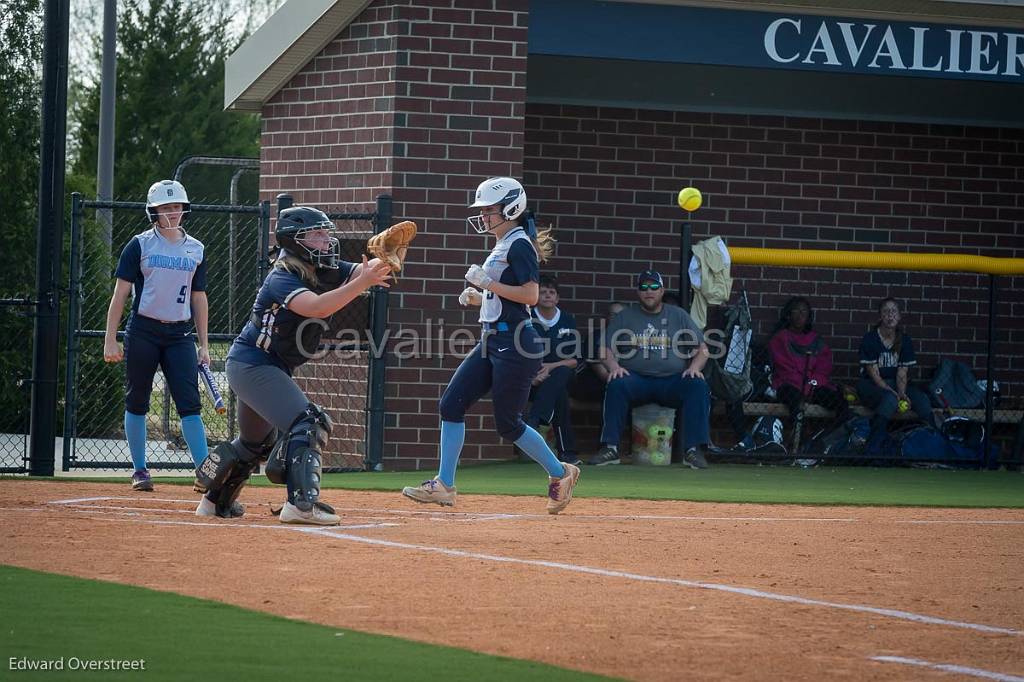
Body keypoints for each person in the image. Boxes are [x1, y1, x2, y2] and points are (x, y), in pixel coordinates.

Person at [194, 206, 394, 524]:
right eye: (317, 234)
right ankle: (301, 505)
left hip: (264, 367)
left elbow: (367, 271)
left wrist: (389, 256)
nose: (327, 239)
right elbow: (316, 306)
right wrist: (363, 283)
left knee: (255, 442)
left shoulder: (322, 268)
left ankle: (214, 501)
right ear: (295, 241)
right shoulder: (282, 277)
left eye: (326, 232)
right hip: (254, 364)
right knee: (309, 422)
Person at [401, 177, 580, 514]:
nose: (483, 215)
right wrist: (480, 296)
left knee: (508, 424)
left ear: (511, 208)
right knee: (450, 405)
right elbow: (506, 295)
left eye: (490, 210)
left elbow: (529, 295)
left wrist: (488, 284)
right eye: (482, 210)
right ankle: (444, 485)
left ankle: (561, 473)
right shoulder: (503, 243)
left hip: (516, 342)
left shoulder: (519, 244)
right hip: (493, 337)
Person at [103, 180, 211, 492]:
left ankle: (205, 472)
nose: (172, 212)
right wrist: (111, 338)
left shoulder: (196, 248)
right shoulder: (139, 245)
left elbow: (199, 297)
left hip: (179, 335)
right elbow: (120, 294)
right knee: (137, 400)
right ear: (153, 211)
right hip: (144, 332)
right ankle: (139, 470)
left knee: (189, 404)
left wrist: (204, 344)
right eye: (165, 208)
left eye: (177, 206)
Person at [588, 270, 712, 468]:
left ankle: (693, 450)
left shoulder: (679, 315)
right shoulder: (625, 317)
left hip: (672, 380)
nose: (649, 291)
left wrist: (695, 367)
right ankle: (610, 448)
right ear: (638, 292)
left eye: (654, 287)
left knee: (697, 385)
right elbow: (604, 348)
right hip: (636, 380)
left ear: (662, 291)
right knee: (616, 384)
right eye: (644, 287)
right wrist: (613, 367)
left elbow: (702, 349)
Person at [857, 297, 939, 453]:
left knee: (921, 399)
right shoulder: (870, 339)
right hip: (871, 385)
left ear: (899, 316)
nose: (890, 315)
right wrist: (894, 394)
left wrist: (902, 392)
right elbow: (874, 374)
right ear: (880, 316)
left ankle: (935, 443)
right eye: (886, 311)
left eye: (894, 311)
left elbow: (902, 373)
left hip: (896, 383)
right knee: (890, 400)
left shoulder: (904, 340)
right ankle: (873, 448)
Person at [765, 297, 850, 441]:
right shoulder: (780, 338)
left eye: (804, 311)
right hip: (789, 385)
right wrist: (802, 384)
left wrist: (811, 383)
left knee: (839, 401)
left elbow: (823, 368)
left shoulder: (816, 341)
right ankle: (800, 440)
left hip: (813, 386)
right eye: (796, 310)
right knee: (795, 400)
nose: (800, 314)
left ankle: (829, 440)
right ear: (788, 315)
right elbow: (784, 368)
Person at [522, 274, 581, 466]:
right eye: (543, 292)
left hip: (560, 374)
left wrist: (549, 368)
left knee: (561, 374)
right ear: (536, 296)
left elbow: (573, 361)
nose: (547, 295)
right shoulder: (527, 318)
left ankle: (535, 418)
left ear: (557, 298)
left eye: (552, 292)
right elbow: (519, 353)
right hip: (531, 378)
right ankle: (567, 452)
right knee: (559, 396)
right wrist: (533, 375)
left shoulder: (567, 320)